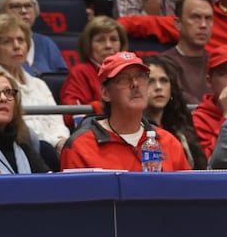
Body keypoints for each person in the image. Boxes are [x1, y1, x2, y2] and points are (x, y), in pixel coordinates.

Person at [61, 52, 191, 171]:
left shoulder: (169, 143)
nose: (135, 84)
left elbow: (188, 193)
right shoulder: (80, 146)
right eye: (124, 78)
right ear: (105, 93)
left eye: (140, 77)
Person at [0, 12, 66, 149]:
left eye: (21, 40)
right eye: (7, 41)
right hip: (21, 147)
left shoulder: (39, 84)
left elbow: (57, 122)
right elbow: (18, 128)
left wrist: (62, 140)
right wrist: (55, 143)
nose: (16, 46)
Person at [142, 56, 208, 169]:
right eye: (150, 81)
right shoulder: (135, 130)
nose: (158, 87)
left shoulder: (182, 127)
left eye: (164, 81)